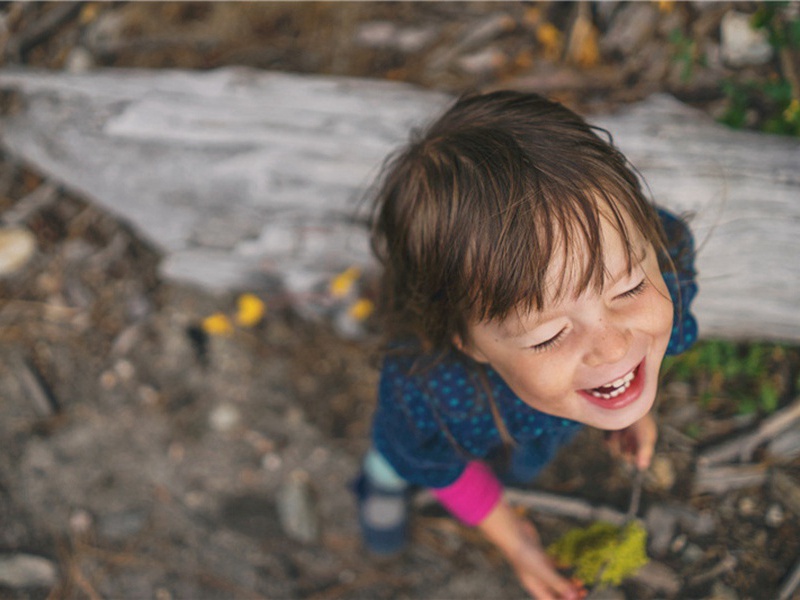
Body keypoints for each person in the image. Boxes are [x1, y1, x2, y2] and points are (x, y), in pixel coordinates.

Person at [353, 90, 698, 600]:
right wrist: (515, 542)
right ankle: (378, 485)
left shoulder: (666, 259)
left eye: (629, 288)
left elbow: (638, 345)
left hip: (523, 425)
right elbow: (440, 464)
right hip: (439, 434)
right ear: (467, 342)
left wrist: (631, 403)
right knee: (399, 455)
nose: (611, 347)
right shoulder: (432, 393)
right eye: (548, 335)